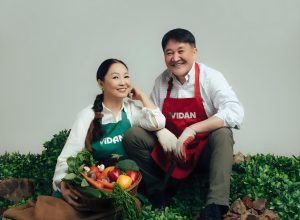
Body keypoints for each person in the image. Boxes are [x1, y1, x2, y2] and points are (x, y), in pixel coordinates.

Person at [3, 58, 165, 220]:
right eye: (116, 77)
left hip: (123, 189)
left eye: (126, 76)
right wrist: (62, 183)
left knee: (130, 207)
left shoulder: (131, 111)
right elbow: (67, 157)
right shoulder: (87, 116)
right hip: (94, 188)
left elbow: (158, 122)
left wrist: (142, 96)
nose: (123, 82)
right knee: (62, 212)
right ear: (101, 83)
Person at [123, 28, 244, 220]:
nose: (175, 58)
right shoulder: (162, 81)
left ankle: (216, 205)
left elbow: (235, 112)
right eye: (169, 53)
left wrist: (192, 129)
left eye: (181, 51)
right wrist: (161, 131)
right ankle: (159, 189)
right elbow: (152, 116)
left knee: (223, 133)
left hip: (202, 152)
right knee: (133, 136)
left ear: (194, 52)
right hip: (172, 152)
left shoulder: (210, 77)